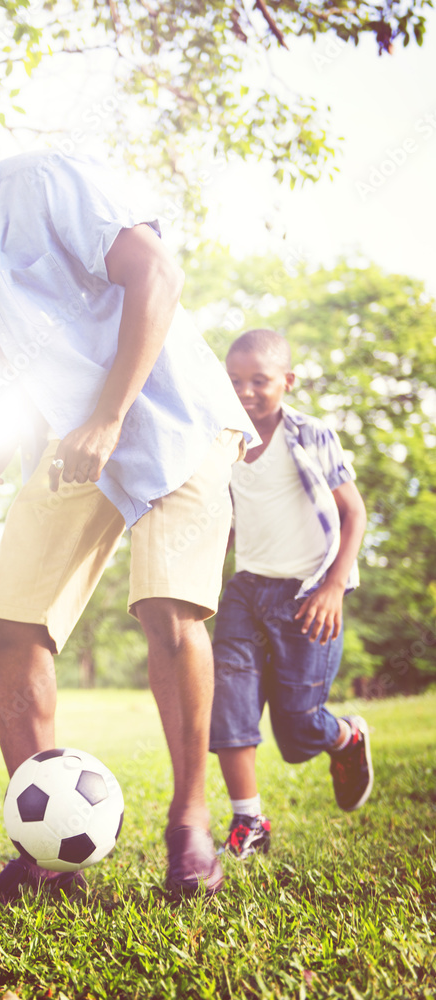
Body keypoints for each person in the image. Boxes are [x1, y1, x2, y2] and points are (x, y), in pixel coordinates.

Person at [0, 114, 256, 901]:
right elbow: (22, 373)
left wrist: (110, 417)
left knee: (166, 611)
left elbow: (157, 275)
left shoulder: (44, 181)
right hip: (76, 442)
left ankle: (189, 826)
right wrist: (3, 441)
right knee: (13, 620)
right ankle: (43, 847)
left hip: (171, 417)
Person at [209, 329, 371, 860]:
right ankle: (249, 821)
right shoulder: (224, 439)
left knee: (299, 733)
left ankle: (344, 736)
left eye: (260, 380)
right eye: (235, 381)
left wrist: (333, 587)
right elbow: (234, 517)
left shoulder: (311, 434)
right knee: (229, 710)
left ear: (288, 381)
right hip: (246, 593)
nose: (247, 391)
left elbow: (354, 512)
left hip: (307, 594)